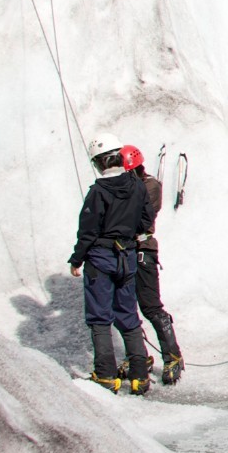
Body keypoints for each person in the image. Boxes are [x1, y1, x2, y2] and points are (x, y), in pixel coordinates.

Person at [68, 132, 154, 393]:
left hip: (101, 258)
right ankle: (140, 376)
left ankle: (106, 375)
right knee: (128, 314)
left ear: (100, 163)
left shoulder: (98, 192)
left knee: (99, 317)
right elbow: (146, 219)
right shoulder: (137, 185)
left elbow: (88, 231)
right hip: (127, 256)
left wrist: (76, 259)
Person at [121, 145, 184, 385]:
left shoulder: (150, 186)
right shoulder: (125, 186)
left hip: (142, 251)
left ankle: (172, 354)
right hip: (123, 252)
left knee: (150, 307)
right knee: (124, 308)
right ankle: (138, 355)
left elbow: (141, 214)